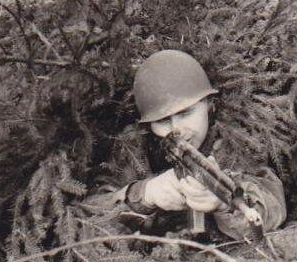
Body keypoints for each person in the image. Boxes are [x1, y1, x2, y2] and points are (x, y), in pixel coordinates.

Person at [85, 49, 286, 240]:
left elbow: (273, 207)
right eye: (163, 120)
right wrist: (144, 195)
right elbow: (85, 215)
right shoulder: (135, 147)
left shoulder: (235, 138)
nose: (176, 129)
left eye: (185, 113)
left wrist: (223, 205)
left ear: (209, 105)